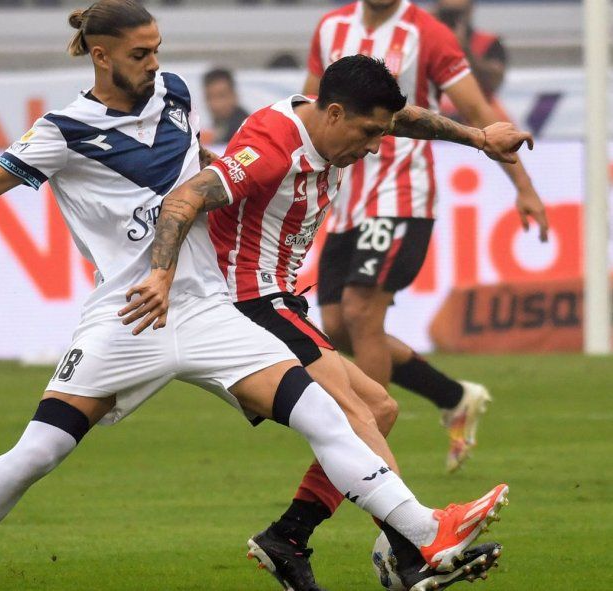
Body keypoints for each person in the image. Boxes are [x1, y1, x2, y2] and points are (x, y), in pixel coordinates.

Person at [0, 1, 509, 587]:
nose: (154, 63)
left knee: (329, 415)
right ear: (101, 56)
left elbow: (201, 169)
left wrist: (237, 172)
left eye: (157, 49)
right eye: (140, 54)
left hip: (208, 311)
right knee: (40, 449)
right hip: (130, 315)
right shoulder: (65, 130)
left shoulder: (175, 94)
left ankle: (423, 534)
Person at [128, 54, 528, 591]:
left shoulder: (339, 120)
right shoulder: (273, 146)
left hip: (279, 299)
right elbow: (186, 198)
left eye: (380, 133)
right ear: (335, 114)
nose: (375, 147)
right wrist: (160, 275)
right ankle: (418, 545)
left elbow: (402, 119)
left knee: (380, 408)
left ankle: (288, 539)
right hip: (246, 300)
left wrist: (478, 137)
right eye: (368, 134)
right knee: (355, 410)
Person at [303, 0, 548, 474]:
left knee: (361, 311)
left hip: (401, 194)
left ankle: (367, 455)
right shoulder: (331, 27)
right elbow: (312, 104)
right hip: (346, 196)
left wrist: (524, 186)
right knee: (335, 325)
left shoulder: (426, 33)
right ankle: (453, 397)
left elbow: (476, 109)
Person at [436, 0, 509, 122]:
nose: (452, 18)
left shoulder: (488, 42)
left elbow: (494, 82)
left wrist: (465, 50)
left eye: (457, 13)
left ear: (470, 10)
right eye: (448, 13)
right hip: (434, 115)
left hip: (477, 117)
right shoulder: (421, 40)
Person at [203, 68, 249, 143]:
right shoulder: (221, 124)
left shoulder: (244, 129)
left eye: (221, 96)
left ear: (234, 95)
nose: (215, 104)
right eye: (209, 97)